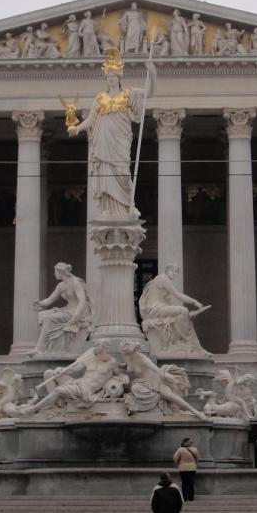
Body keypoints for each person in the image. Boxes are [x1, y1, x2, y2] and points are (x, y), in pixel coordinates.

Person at [66, 47, 154, 220]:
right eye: (108, 77)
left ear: (119, 77)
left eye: (113, 76)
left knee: (123, 172)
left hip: (121, 140)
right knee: (105, 172)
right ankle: (108, 207)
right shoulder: (100, 98)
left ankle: (128, 205)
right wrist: (77, 128)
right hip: (104, 140)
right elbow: (91, 120)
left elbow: (150, 93)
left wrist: (153, 73)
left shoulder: (128, 94)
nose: (110, 79)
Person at [138, 264, 210, 354]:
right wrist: (194, 302)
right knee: (183, 310)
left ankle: (192, 344)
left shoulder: (162, 282)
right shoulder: (163, 278)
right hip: (155, 309)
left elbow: (170, 304)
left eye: (176, 272)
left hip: (159, 308)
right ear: (167, 271)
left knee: (183, 316)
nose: (174, 273)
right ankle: (189, 341)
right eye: (172, 271)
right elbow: (178, 295)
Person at [30, 262, 93, 355]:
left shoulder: (75, 283)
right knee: (42, 314)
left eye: (56, 272)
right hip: (67, 310)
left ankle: (40, 347)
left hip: (78, 312)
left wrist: (75, 316)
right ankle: (49, 347)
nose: (54, 274)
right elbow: (50, 300)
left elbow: (82, 301)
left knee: (49, 318)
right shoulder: (61, 286)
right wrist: (39, 303)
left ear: (61, 272)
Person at [174, 438, 199, 502]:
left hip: (183, 468)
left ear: (184, 442)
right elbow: (197, 458)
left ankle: (184, 498)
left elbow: (175, 458)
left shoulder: (180, 449)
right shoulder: (195, 449)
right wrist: (194, 464)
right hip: (192, 468)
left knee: (184, 483)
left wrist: (177, 464)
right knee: (191, 483)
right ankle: (191, 498)